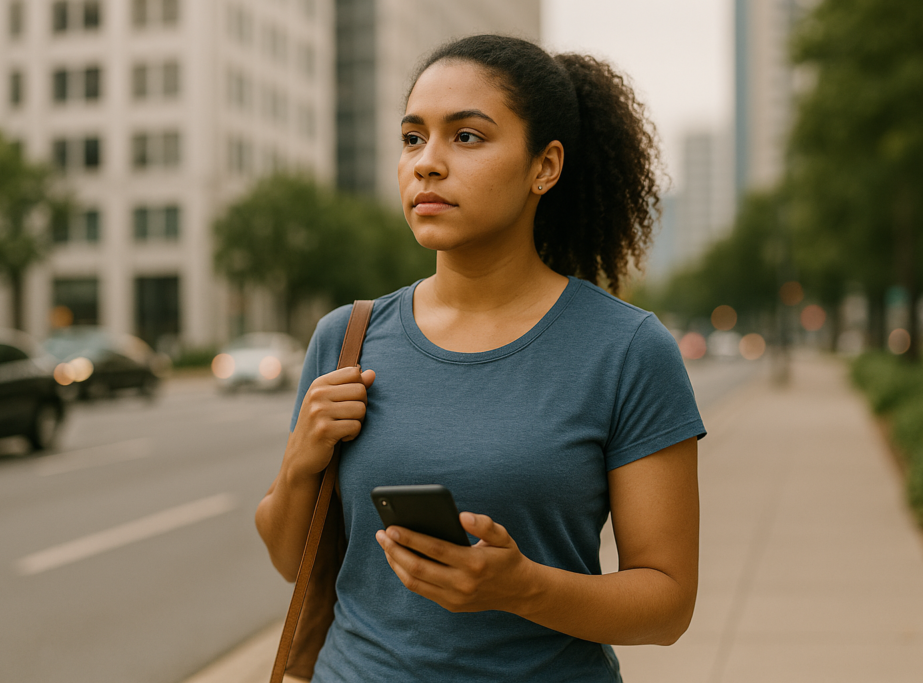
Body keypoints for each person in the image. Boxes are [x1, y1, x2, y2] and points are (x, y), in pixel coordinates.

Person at [256, 34, 705, 682]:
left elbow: (666, 604)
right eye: (413, 138)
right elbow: (289, 558)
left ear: (544, 166)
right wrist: (301, 460)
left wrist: (520, 586)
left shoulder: (627, 351)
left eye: (466, 137)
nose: (427, 164)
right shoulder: (346, 336)